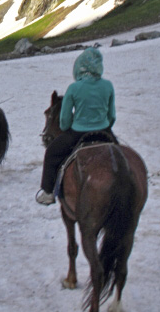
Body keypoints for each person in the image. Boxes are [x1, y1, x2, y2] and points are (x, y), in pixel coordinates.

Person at [36, 47, 115, 205]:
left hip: (78, 132)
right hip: (104, 131)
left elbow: (64, 121)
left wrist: (72, 125)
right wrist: (105, 126)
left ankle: (48, 192)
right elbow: (112, 116)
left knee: (52, 153)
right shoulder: (108, 86)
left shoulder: (74, 88)